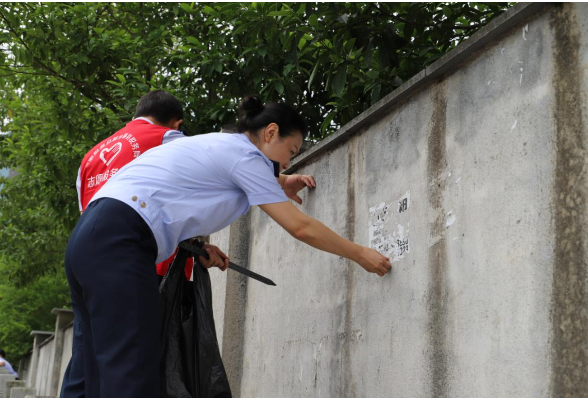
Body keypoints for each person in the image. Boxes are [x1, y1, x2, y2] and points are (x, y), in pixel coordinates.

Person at [61, 96, 391, 398]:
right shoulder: (245, 156)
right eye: (290, 152)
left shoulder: (223, 146)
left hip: (89, 240)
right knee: (131, 370)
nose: (289, 163)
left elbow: (192, 189)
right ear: (270, 132)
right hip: (122, 242)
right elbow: (300, 227)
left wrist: (277, 184)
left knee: (89, 374)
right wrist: (361, 254)